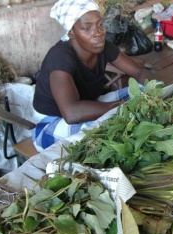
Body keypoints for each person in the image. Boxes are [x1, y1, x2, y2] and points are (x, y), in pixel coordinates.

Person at [32, 0, 155, 151]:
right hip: (53, 123)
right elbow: (71, 114)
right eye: (87, 28)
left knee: (143, 92)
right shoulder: (60, 58)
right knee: (113, 128)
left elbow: (139, 71)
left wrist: (156, 91)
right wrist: (121, 108)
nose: (98, 33)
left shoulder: (103, 47)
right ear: (71, 32)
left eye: (100, 25)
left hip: (88, 107)